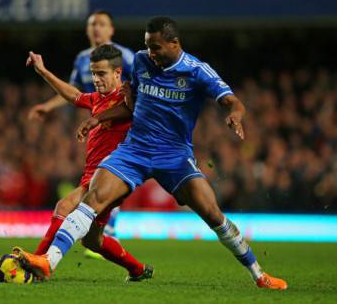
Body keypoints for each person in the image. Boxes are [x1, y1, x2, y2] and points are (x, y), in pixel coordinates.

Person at [17, 16, 288, 290]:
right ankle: (48, 262)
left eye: (156, 47)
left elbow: (233, 101)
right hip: (135, 150)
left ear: (174, 43)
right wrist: (99, 118)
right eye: (148, 46)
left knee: (213, 214)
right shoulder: (142, 61)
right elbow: (131, 105)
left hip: (174, 156)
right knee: (92, 198)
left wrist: (235, 115)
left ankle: (259, 275)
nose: (151, 53)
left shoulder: (197, 71)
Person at [23, 44, 153, 281]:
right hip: (91, 176)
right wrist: (43, 72)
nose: (96, 79)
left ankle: (37, 262)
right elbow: (72, 95)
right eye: (93, 73)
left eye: (101, 73)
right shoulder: (97, 99)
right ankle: (138, 269)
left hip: (112, 177)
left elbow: (134, 113)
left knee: (64, 206)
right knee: (93, 241)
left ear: (117, 73)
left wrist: (122, 105)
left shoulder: (128, 98)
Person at [28, 10, 134, 255]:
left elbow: (135, 95)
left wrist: (104, 116)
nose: (96, 28)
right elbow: (73, 92)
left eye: (102, 24)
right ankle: (105, 235)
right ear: (87, 30)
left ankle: (104, 226)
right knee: (93, 178)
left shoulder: (126, 58)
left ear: (111, 30)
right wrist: (48, 105)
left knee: (109, 175)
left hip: (120, 126)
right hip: (95, 117)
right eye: (92, 24)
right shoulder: (82, 59)